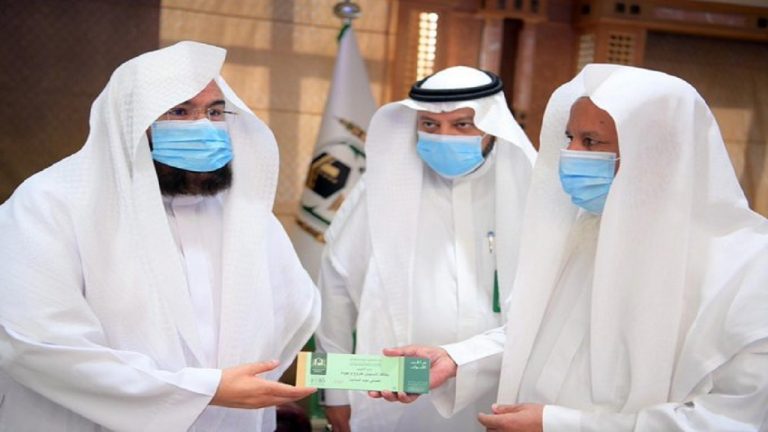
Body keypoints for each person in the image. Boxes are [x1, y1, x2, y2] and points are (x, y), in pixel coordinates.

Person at [387, 64, 768, 431]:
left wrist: (558, 425)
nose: (570, 153)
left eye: (591, 142)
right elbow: (542, 338)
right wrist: (456, 358)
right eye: (569, 138)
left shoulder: (747, 267)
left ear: (654, 152)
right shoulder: (589, 230)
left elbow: (734, 419)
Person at [0, 41, 320, 431]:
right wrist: (202, 390)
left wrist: (367, 375)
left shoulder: (242, 215)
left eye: (215, 111)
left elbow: (291, 312)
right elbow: (40, 344)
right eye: (180, 111)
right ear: (132, 121)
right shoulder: (50, 203)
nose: (203, 127)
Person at [314, 66, 536, 432]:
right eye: (430, 124)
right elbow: (336, 283)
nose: (444, 136)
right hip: (391, 395)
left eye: (462, 125)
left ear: (493, 126)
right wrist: (333, 390)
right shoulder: (383, 189)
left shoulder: (527, 189)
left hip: (496, 392)